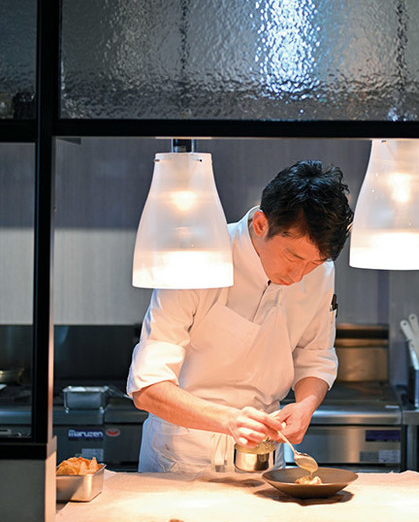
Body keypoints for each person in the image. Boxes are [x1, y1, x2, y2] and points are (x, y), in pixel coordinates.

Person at [127, 160, 353, 473]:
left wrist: (305, 406)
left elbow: (316, 356)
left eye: (313, 264)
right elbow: (147, 388)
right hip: (179, 460)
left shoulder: (321, 272)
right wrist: (229, 419)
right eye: (292, 257)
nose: (298, 276)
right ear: (261, 224)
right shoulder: (199, 256)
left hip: (264, 460)